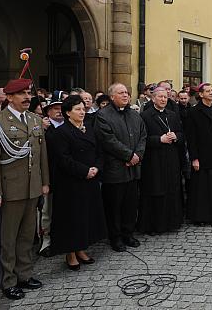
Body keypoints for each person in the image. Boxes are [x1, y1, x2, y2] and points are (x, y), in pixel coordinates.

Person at [0, 78, 49, 300]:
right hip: (9, 190)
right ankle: (8, 281)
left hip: (32, 188)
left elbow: (41, 156)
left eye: (28, 93)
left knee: (27, 236)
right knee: (8, 239)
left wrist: (44, 182)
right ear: (9, 97)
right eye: (21, 94)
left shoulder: (35, 120)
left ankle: (24, 275)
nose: (27, 97)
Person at [47, 95, 106, 270]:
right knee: (71, 218)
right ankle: (70, 253)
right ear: (67, 113)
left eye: (83, 109)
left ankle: (81, 248)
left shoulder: (89, 128)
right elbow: (63, 159)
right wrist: (84, 171)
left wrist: (96, 167)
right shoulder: (61, 133)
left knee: (85, 216)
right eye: (77, 109)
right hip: (71, 182)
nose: (82, 112)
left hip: (90, 180)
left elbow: (99, 151)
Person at [95, 83, 147, 252]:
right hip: (115, 170)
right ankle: (115, 237)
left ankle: (128, 234)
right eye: (121, 93)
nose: (126, 95)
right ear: (111, 97)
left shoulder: (134, 115)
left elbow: (143, 136)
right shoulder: (102, 116)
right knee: (114, 206)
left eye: (126, 92)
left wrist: (137, 155)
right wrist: (128, 156)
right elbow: (108, 141)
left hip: (133, 169)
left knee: (130, 205)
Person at [139, 87, 184, 234]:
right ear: (153, 99)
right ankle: (154, 225)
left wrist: (176, 137)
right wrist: (159, 139)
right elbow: (142, 139)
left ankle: (172, 223)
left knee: (172, 189)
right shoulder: (145, 116)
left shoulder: (172, 114)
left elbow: (181, 133)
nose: (163, 99)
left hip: (171, 158)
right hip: (154, 160)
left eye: (165, 97)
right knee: (156, 190)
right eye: (160, 97)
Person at [185, 83, 212, 224]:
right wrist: (194, 158)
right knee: (202, 188)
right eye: (207, 91)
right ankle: (201, 217)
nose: (211, 93)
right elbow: (191, 138)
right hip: (202, 156)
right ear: (201, 94)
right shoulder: (193, 112)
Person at [38, 99, 63, 257]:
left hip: (63, 175)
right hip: (47, 175)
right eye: (55, 109)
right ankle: (45, 241)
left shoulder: (69, 126)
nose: (59, 111)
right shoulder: (43, 128)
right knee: (45, 211)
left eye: (61, 108)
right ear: (48, 112)